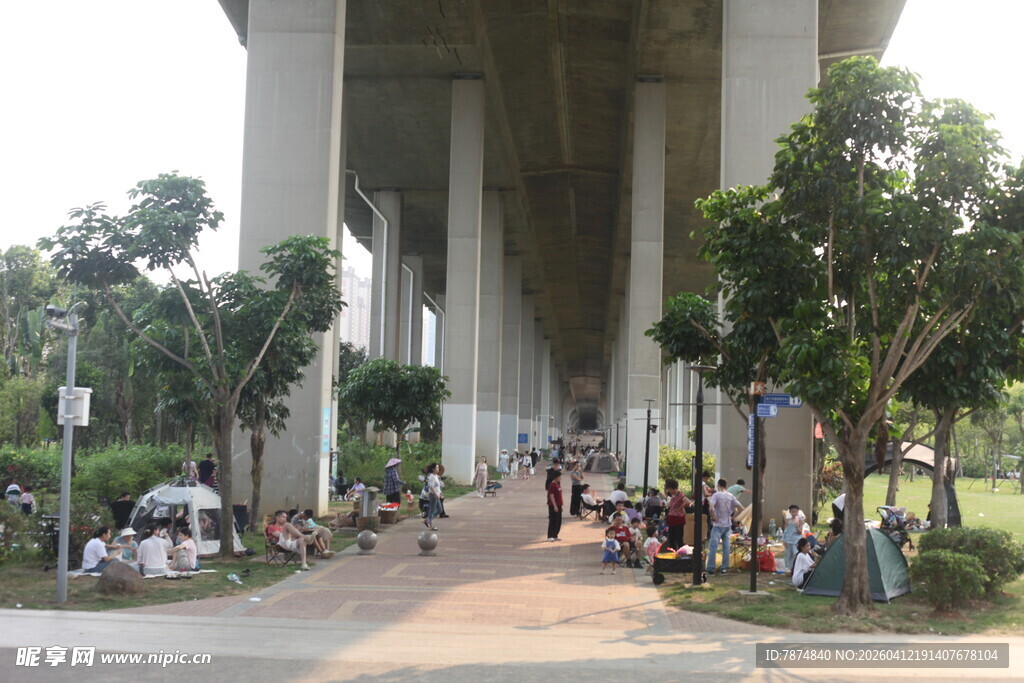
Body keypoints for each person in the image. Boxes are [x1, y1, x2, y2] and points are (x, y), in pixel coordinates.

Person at [706, 479, 743, 575]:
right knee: (726, 547)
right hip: (727, 524)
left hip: (718, 524)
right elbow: (740, 508)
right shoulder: (731, 496)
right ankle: (724, 568)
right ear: (726, 486)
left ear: (718, 485)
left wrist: (713, 517)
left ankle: (711, 568)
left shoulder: (716, 495)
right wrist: (733, 517)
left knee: (713, 546)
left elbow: (711, 508)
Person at [664, 478, 691, 551]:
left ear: (672, 488)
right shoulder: (673, 495)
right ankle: (673, 551)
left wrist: (680, 507)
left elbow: (688, 502)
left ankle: (680, 551)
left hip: (678, 518)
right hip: (672, 518)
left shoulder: (680, 495)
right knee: (671, 537)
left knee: (678, 537)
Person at [782, 504, 806, 570]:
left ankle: (795, 568)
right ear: (790, 512)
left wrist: (797, 526)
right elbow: (785, 530)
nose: (794, 513)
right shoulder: (788, 520)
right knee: (788, 555)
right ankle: (789, 568)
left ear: (798, 512)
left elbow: (800, 532)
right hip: (788, 540)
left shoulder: (800, 521)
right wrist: (784, 540)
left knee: (795, 554)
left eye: (796, 512)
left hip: (796, 541)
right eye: (793, 512)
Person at [546, 469, 563, 542]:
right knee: (553, 520)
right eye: (559, 477)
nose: (560, 478)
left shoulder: (557, 484)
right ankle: (550, 535)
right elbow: (551, 496)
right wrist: (555, 505)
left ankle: (555, 535)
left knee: (558, 521)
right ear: (555, 477)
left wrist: (560, 506)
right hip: (553, 505)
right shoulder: (552, 485)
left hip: (559, 505)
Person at [424, 464, 442, 530]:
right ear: (433, 469)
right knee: (432, 510)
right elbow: (431, 487)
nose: (438, 469)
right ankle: (430, 525)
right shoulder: (431, 476)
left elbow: (437, 486)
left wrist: (440, 493)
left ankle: (427, 520)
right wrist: (435, 494)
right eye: (437, 467)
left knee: (440, 510)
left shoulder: (436, 476)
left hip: (437, 495)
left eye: (438, 467)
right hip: (433, 495)